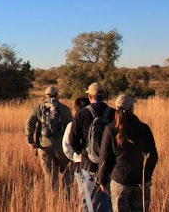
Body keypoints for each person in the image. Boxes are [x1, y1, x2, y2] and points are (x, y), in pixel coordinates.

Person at [96, 95, 158, 212]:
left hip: (120, 180)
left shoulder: (110, 129)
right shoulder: (144, 128)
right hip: (140, 181)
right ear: (132, 108)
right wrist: (146, 176)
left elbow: (104, 158)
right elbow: (153, 155)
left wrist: (102, 181)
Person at [68, 82, 115, 212]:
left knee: (92, 204)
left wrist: (81, 153)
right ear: (104, 96)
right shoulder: (114, 113)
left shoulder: (82, 114)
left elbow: (72, 140)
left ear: (89, 97)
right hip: (110, 165)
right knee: (109, 202)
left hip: (89, 164)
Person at [25, 86, 74, 191]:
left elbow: (29, 124)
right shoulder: (64, 109)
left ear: (45, 96)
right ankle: (68, 196)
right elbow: (71, 126)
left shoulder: (38, 108)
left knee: (50, 176)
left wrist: (30, 140)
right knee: (68, 172)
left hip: (44, 146)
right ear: (57, 95)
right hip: (61, 147)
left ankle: (53, 198)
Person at [63, 97, 92, 202]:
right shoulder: (95, 123)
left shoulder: (71, 125)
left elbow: (66, 147)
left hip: (79, 162)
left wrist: (75, 156)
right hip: (95, 161)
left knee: (84, 193)